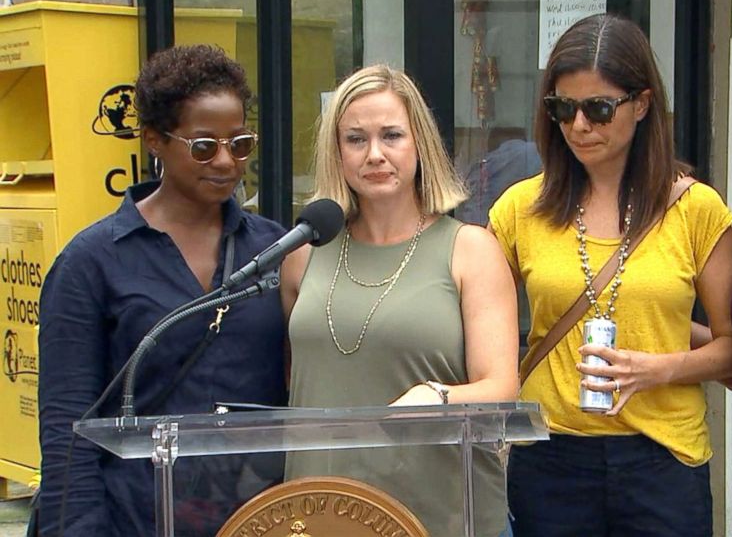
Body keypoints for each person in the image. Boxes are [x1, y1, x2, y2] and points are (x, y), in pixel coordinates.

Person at [488, 14, 732, 537]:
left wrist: (658, 369)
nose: (579, 126)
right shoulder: (521, 208)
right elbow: (474, 317)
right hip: (549, 454)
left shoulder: (694, 208)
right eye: (563, 108)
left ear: (643, 104)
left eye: (599, 109)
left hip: (662, 459)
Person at [38, 45, 289, 536]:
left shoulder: (276, 248)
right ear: (155, 140)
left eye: (240, 144)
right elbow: (67, 429)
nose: (225, 161)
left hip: (257, 519)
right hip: (136, 518)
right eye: (203, 146)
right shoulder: (90, 262)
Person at [279, 64, 519, 537]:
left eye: (392, 135)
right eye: (355, 139)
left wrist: (439, 395)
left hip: (444, 512)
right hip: (323, 512)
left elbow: (502, 388)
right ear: (336, 151)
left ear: (419, 145)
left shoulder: (470, 249)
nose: (375, 155)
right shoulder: (303, 255)